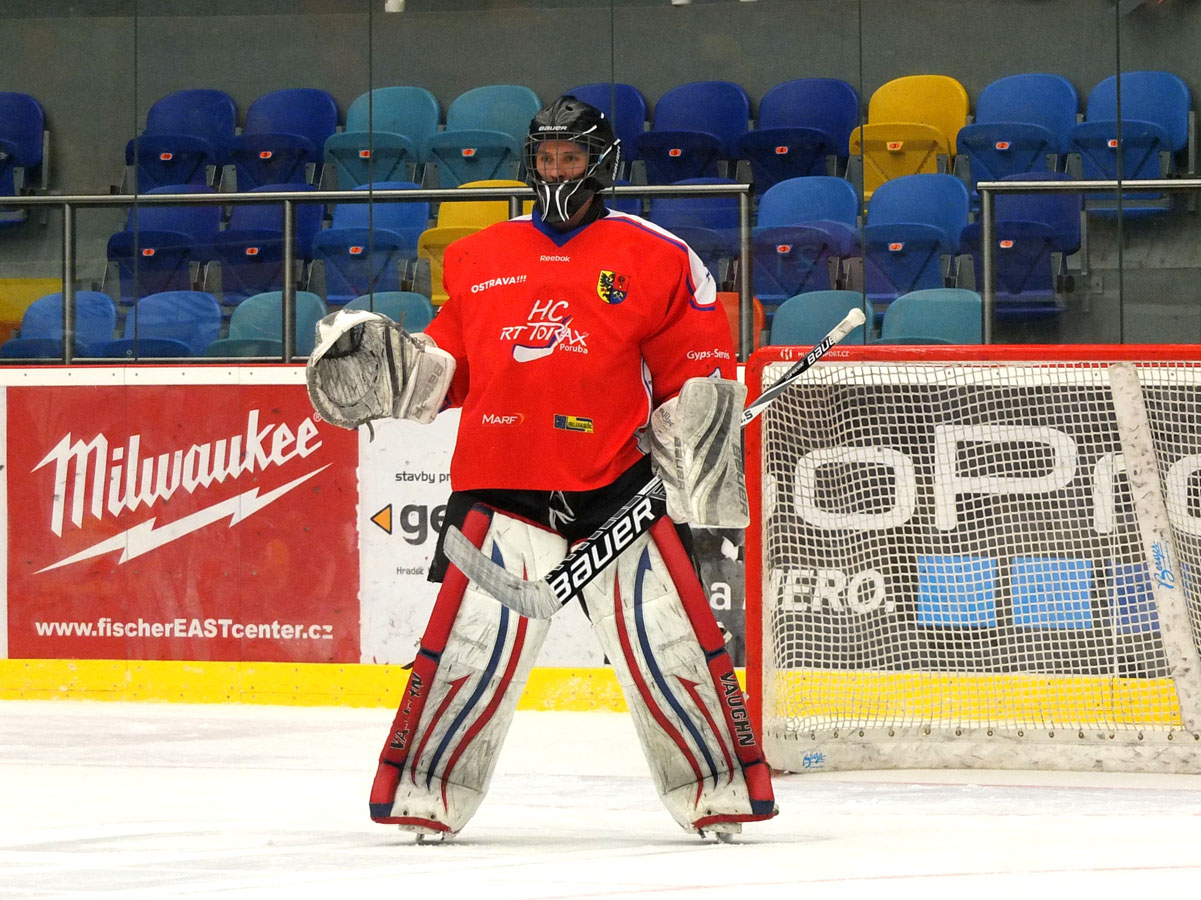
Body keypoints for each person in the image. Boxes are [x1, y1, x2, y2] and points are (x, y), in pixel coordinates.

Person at [305, 95, 777, 841]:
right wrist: (395, 371)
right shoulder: (478, 255)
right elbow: (449, 366)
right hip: (501, 481)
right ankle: (427, 798)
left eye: (572, 157)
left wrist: (693, 432)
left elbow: (697, 368)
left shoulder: (659, 256)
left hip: (616, 483)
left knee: (669, 644)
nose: (558, 171)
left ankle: (715, 795)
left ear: (601, 164)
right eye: (548, 158)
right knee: (470, 650)